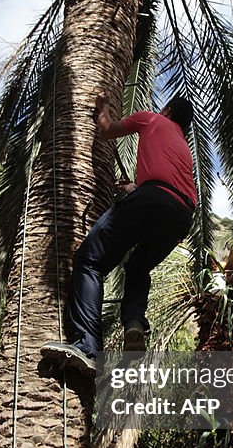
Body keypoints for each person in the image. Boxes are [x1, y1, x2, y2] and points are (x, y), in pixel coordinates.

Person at [41, 92, 197, 373]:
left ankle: (87, 346)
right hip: (183, 215)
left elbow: (107, 130)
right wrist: (134, 190)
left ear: (168, 109)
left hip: (154, 198)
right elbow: (168, 190)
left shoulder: (152, 119)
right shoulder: (183, 147)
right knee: (138, 268)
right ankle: (135, 324)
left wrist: (102, 107)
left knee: (90, 261)